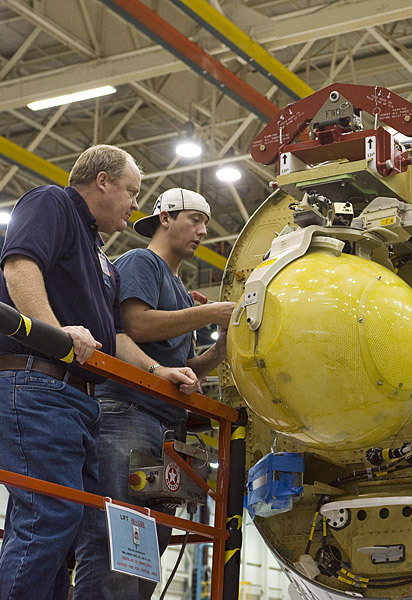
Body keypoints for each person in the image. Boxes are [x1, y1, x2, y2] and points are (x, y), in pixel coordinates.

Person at [0, 145, 198, 600]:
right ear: (102, 181)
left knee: (64, 527)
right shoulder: (51, 203)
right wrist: (57, 332)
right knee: (51, 517)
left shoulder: (101, 257)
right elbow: (19, 266)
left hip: (75, 399)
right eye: (131, 191)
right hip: (35, 384)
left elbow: (115, 336)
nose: (136, 204)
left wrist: (160, 369)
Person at [74, 188, 235, 600]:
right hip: (128, 413)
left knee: (143, 555)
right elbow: (134, 326)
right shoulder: (142, 262)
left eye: (206, 223)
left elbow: (178, 370)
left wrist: (218, 351)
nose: (202, 231)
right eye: (194, 219)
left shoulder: (178, 289)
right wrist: (212, 312)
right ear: (165, 217)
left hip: (162, 425)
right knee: (117, 549)